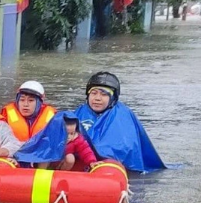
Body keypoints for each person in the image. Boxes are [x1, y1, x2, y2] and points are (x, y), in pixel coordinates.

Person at [9, 72, 165, 173]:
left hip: (105, 168)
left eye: (103, 94)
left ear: (113, 98)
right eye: (94, 93)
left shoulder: (122, 115)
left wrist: (92, 155)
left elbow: (123, 147)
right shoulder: (80, 112)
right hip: (78, 163)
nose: (97, 98)